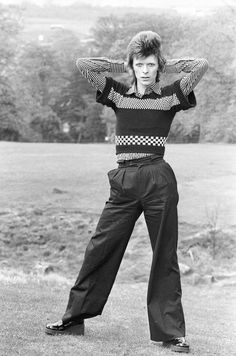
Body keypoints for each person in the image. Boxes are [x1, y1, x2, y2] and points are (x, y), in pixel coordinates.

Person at [45, 31, 208, 353]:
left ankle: (171, 333)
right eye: (140, 64)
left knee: (165, 255)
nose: (145, 70)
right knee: (99, 248)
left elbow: (200, 65)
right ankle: (74, 318)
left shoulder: (171, 96)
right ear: (131, 67)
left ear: (157, 66)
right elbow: (85, 65)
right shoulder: (118, 95)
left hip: (158, 178)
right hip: (123, 181)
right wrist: (123, 64)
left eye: (150, 65)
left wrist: (165, 63)